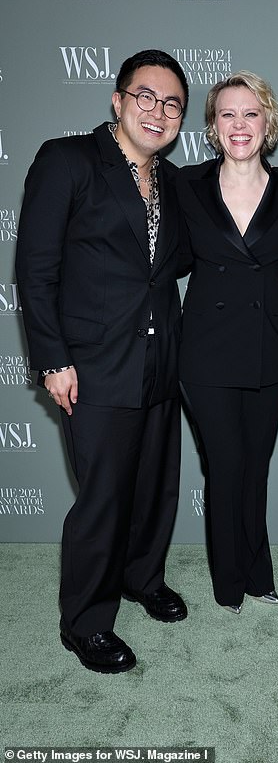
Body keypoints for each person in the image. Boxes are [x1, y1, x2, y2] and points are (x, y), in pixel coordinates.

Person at [15, 50, 189, 673]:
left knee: (154, 489)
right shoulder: (67, 160)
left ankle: (142, 579)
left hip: (160, 359)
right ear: (117, 100)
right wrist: (53, 359)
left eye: (171, 104)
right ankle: (85, 622)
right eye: (145, 96)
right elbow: (35, 272)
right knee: (102, 498)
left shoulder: (172, 181)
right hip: (92, 365)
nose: (157, 111)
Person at [177, 72, 278, 615]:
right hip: (205, 350)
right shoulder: (185, 184)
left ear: (268, 123)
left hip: (267, 348)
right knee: (225, 466)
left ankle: (260, 576)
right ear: (211, 127)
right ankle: (228, 582)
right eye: (227, 114)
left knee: (255, 466)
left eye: (250, 114)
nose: (239, 124)